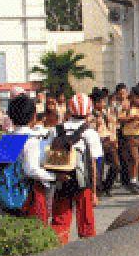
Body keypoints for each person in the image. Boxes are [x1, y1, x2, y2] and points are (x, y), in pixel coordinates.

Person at [48, 93, 100, 244]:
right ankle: (87, 255)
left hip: (61, 179)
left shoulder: (56, 130)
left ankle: (56, 252)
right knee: (86, 224)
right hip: (83, 183)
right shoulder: (90, 133)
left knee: (59, 222)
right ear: (88, 111)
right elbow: (93, 163)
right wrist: (94, 192)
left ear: (70, 110)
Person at [6, 94, 53, 225]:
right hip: (30, 195)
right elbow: (31, 170)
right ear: (33, 116)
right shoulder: (31, 140)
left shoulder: (8, 138)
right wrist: (53, 177)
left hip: (9, 195)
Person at [89, 90, 120, 196]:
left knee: (116, 166)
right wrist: (95, 124)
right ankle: (99, 189)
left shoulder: (106, 111)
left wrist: (114, 139)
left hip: (108, 141)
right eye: (102, 101)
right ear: (96, 103)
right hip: (98, 141)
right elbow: (89, 130)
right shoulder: (90, 114)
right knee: (99, 168)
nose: (103, 103)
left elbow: (112, 126)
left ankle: (107, 186)